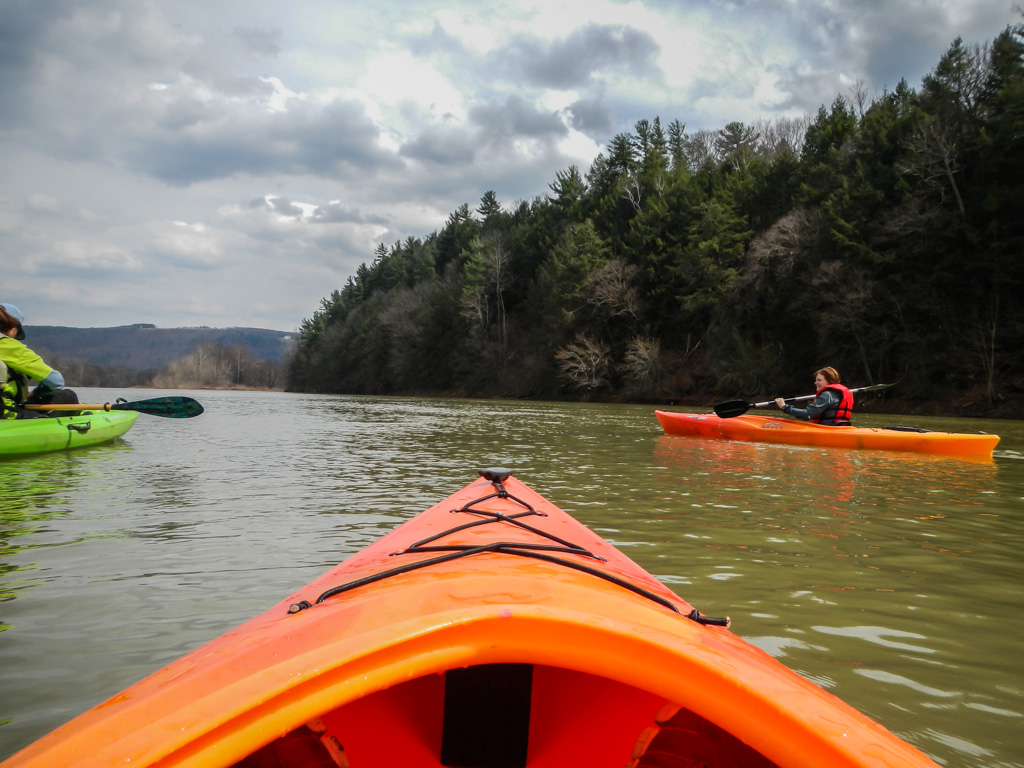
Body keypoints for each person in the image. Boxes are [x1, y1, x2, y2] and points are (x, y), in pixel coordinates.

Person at [1, 302, 79, 418]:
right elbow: (56, 382)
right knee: (69, 396)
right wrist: (35, 394)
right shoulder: (9, 346)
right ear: (13, 328)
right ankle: (79, 418)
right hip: (7, 413)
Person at [774, 367, 853, 426]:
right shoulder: (838, 394)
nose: (815, 383)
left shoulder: (826, 395)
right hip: (839, 428)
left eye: (819, 380)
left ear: (830, 381)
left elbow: (807, 414)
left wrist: (784, 407)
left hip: (826, 430)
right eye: (816, 380)